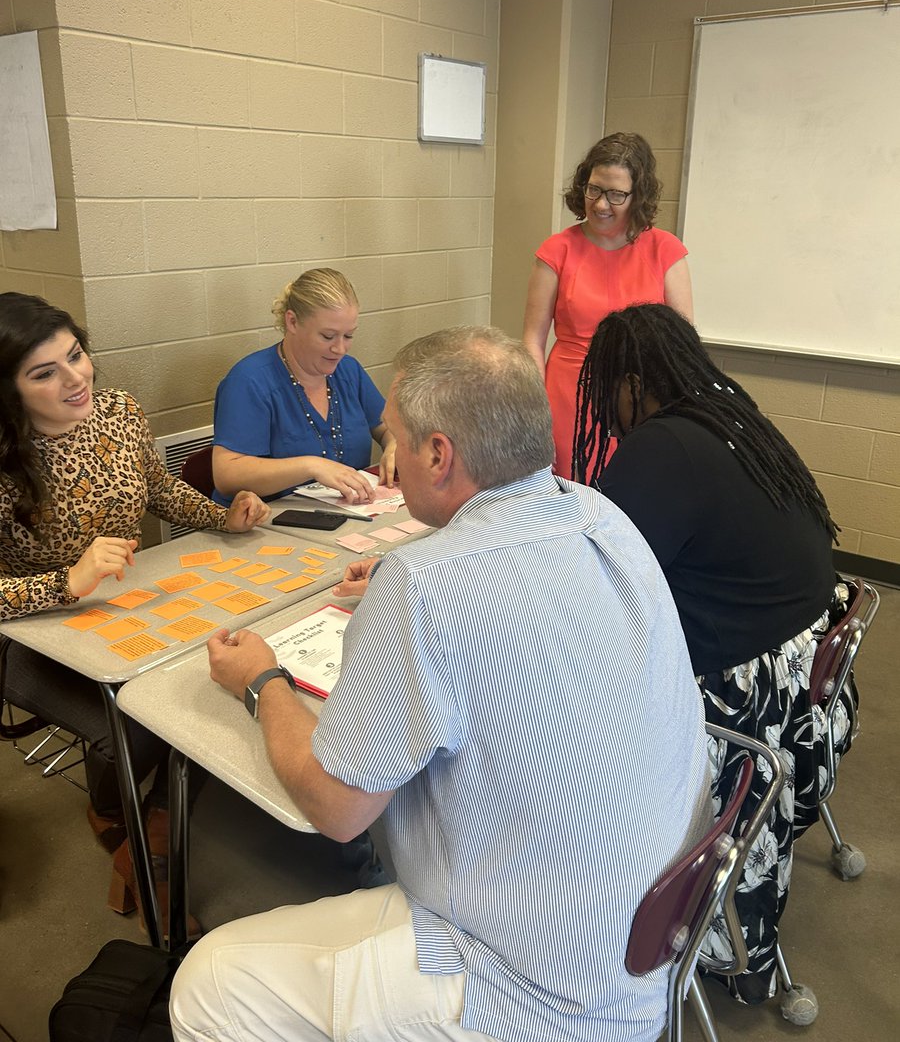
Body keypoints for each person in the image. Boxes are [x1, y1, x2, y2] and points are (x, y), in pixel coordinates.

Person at [170, 326, 713, 1042]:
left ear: (437, 454)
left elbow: (337, 809)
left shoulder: (425, 582)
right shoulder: (600, 512)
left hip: (533, 988)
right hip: (650, 933)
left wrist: (262, 679)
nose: (387, 452)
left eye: (393, 437)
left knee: (207, 984)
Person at [573, 303, 849, 1005]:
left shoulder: (662, 447)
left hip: (740, 696)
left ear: (634, 382)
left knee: (556, 696)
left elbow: (599, 586)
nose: (605, 410)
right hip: (801, 664)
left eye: (608, 391)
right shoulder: (730, 414)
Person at [0, 291, 269, 928]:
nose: (76, 379)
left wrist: (221, 518)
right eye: (45, 373)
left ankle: (159, 818)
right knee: (143, 719)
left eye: (76, 356)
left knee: (211, 685)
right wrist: (65, 582)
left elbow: (158, 489)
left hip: (125, 611)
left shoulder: (118, 412)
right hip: (30, 634)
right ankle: (121, 816)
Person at [523, 132, 693, 479]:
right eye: (594, 189)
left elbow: (682, 343)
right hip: (570, 393)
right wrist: (534, 406)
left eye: (616, 194)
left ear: (638, 195)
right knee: (572, 491)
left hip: (641, 397)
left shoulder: (665, 249)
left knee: (634, 488)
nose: (601, 204)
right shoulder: (558, 250)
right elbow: (532, 340)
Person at [212, 268, 396, 505]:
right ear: (292, 322)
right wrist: (311, 466)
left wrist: (395, 445)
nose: (340, 349)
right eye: (328, 336)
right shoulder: (250, 381)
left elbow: (387, 427)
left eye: (348, 336)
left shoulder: (348, 371)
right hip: (266, 525)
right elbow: (227, 475)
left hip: (344, 517)